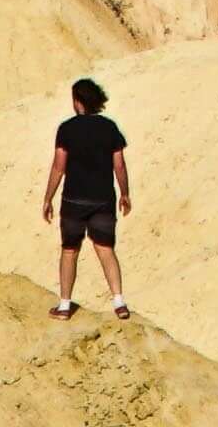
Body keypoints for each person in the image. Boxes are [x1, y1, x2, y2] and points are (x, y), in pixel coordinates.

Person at [44, 75, 136, 318]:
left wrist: (48, 198)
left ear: (77, 101)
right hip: (103, 200)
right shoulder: (109, 127)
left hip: (74, 200)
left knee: (69, 250)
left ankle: (64, 306)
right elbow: (120, 165)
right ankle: (119, 303)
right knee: (106, 249)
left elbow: (58, 167)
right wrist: (124, 193)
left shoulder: (67, 129)